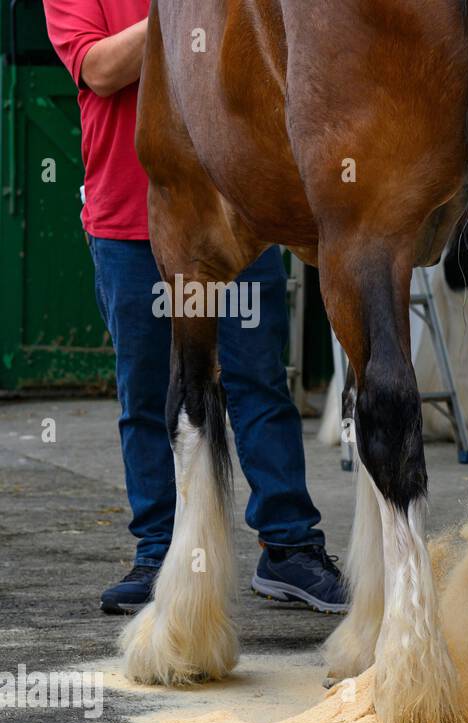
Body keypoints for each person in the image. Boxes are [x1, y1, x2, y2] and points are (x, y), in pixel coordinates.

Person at [44, 0, 346, 614]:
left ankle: (289, 548)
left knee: (259, 381)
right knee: (150, 391)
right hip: (127, 224)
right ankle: (160, 551)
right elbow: (99, 69)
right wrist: (176, 12)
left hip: (238, 210)